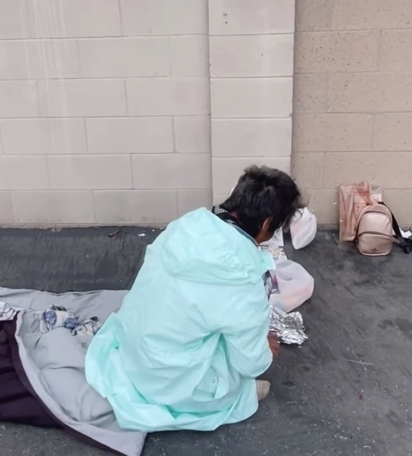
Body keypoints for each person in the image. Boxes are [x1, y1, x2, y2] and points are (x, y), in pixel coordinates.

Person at [85, 166, 303, 432]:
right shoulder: (244, 277)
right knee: (240, 364)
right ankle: (235, 396)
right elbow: (249, 363)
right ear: (267, 223)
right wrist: (264, 350)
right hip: (170, 383)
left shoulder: (186, 225)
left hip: (133, 355)